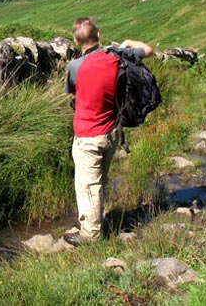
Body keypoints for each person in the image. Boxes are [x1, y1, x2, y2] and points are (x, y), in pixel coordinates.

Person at [63, 17, 153, 245]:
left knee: (88, 185)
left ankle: (90, 237)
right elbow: (148, 49)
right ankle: (95, 222)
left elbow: (72, 89)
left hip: (87, 135)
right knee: (100, 180)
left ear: (75, 40)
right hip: (112, 131)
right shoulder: (118, 55)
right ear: (99, 35)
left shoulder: (75, 66)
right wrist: (127, 42)